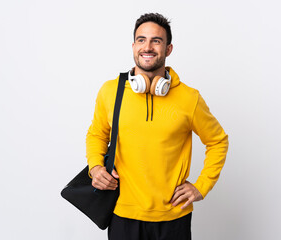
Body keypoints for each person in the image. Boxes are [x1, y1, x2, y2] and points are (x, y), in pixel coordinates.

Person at [86, 13, 229, 240]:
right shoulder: (110, 91)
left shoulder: (189, 98)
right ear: (133, 46)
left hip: (173, 217)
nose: (148, 47)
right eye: (141, 40)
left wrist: (202, 186)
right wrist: (95, 168)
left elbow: (218, 140)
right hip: (123, 215)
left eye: (156, 41)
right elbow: (97, 134)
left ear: (169, 49)